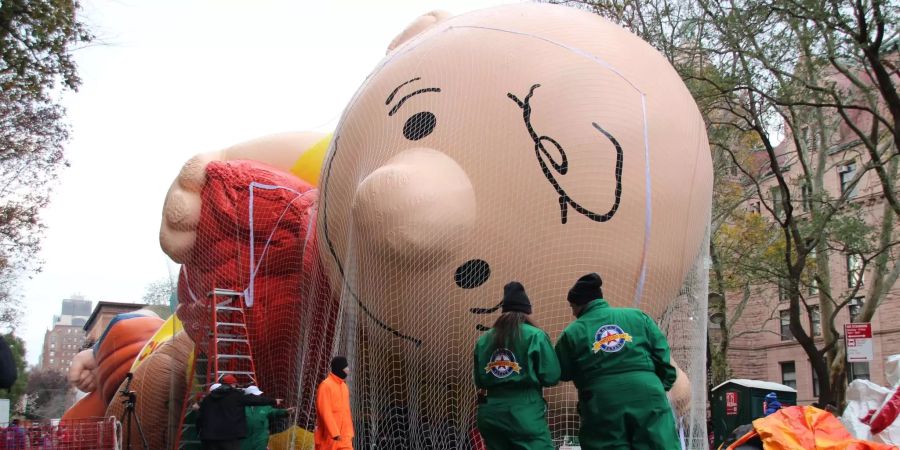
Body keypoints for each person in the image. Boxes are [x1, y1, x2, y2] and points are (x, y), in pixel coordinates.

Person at [555, 273, 679, 449]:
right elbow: (662, 355)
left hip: (602, 401)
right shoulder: (638, 317)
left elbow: (562, 372)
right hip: (648, 393)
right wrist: (659, 386)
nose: (572, 312)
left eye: (572, 307)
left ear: (578, 304)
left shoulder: (572, 332)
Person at [472, 281, 560, 450]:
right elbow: (551, 376)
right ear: (527, 311)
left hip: (490, 414)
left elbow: (479, 380)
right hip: (523, 412)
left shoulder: (483, 339)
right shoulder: (535, 335)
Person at [197, 375, 279, 450]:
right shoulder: (236, 396)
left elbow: (200, 417)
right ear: (233, 385)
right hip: (229, 436)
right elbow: (254, 399)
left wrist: (201, 432)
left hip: (209, 437)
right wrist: (273, 401)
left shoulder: (207, 399)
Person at [315, 356, 354, 450]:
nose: (348, 370)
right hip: (328, 438)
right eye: (346, 367)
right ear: (339, 368)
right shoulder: (325, 386)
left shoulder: (344, 387)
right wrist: (334, 433)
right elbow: (325, 412)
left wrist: (350, 432)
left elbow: (346, 412)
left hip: (345, 437)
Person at [241, 385, 290, 450]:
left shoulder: (264, 406)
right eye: (255, 395)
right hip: (245, 439)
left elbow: (273, 412)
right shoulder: (241, 407)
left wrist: (285, 412)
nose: (258, 396)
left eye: (258, 394)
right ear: (248, 396)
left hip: (260, 438)